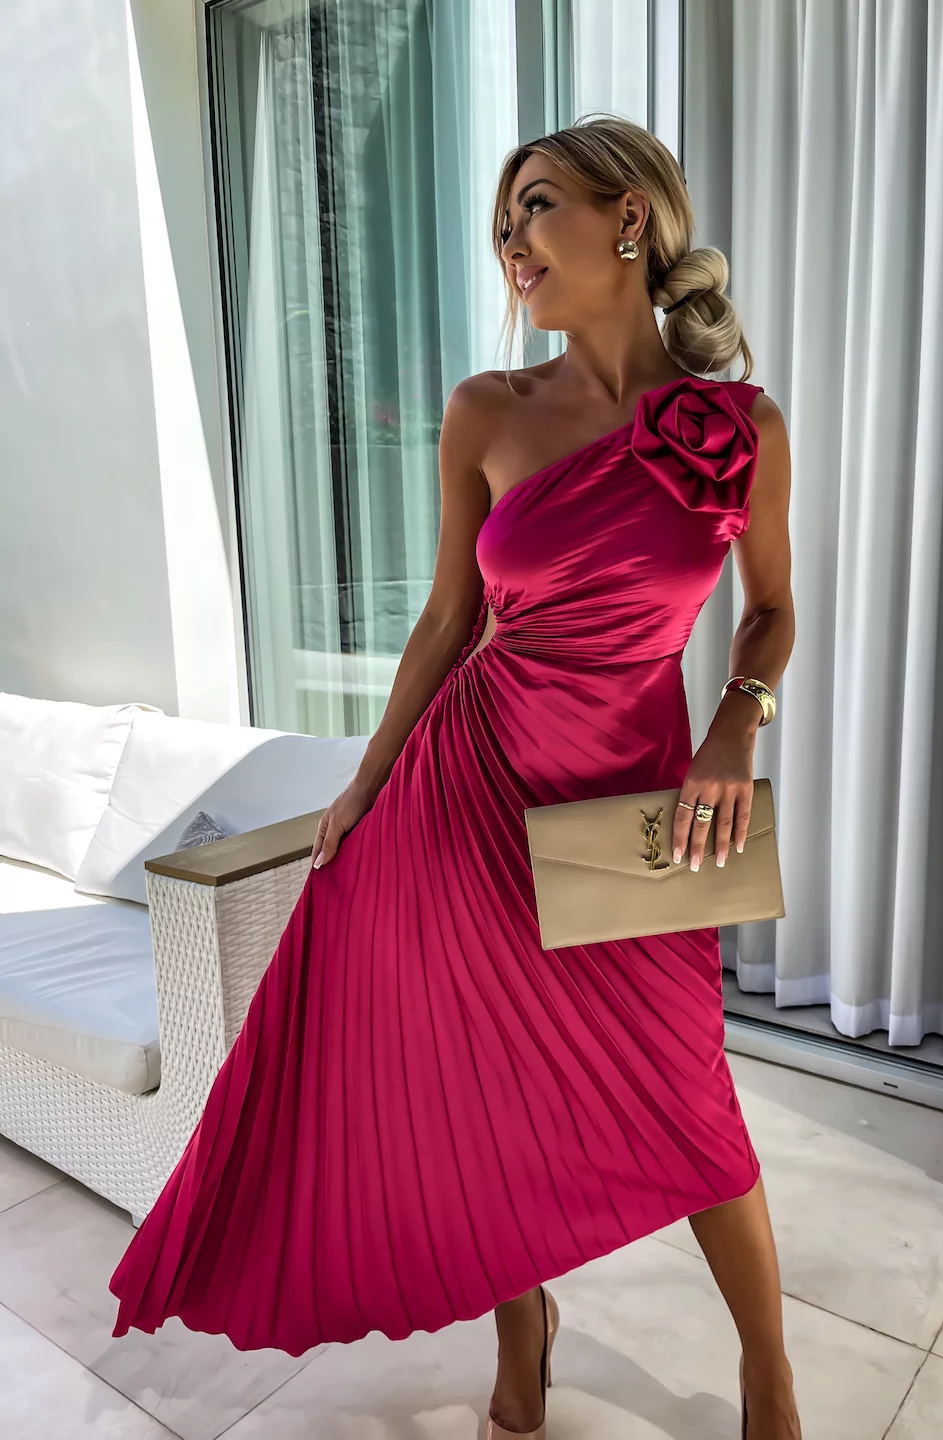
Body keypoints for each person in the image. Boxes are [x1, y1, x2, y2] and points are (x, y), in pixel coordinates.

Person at [108, 113, 800, 1440]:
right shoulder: (487, 411)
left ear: (629, 219)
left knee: (683, 1089)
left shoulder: (734, 427)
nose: (512, 245)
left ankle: (768, 1370)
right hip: (466, 789)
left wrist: (737, 724)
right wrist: (365, 787)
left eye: (536, 208)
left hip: (628, 802)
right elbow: (444, 620)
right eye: (502, 225)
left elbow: (771, 611)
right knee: (481, 1083)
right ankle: (522, 1318)